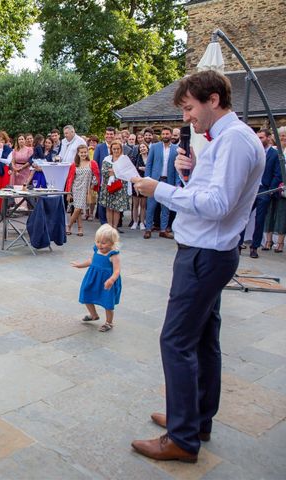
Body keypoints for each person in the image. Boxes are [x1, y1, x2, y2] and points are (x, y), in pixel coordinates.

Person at [130, 70, 265, 463]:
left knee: (176, 340)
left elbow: (218, 206)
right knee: (204, 339)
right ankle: (195, 418)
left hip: (205, 254)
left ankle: (183, 438)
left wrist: (161, 189)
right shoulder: (227, 139)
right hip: (208, 250)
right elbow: (213, 196)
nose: (187, 117)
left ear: (213, 100)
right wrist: (188, 177)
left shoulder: (235, 141)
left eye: (189, 108)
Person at [71, 224, 121, 333]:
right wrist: (80, 265)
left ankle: (109, 322)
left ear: (112, 243)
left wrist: (111, 280)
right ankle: (94, 315)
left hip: (107, 281)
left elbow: (117, 270)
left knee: (107, 301)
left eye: (103, 243)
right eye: (97, 241)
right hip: (93, 277)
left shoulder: (113, 255)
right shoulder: (96, 250)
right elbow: (91, 261)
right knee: (86, 292)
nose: (99, 245)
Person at [243, 128, 282, 258]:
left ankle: (254, 247)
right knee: (243, 217)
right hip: (251, 190)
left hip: (264, 190)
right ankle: (237, 244)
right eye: (258, 137)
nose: (259, 140)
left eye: (262, 138)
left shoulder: (275, 154)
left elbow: (278, 174)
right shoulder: (254, 151)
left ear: (269, 138)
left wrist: (270, 191)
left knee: (260, 220)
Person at [143, 126, 178, 239]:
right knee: (151, 206)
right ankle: (148, 229)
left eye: (167, 134)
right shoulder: (155, 147)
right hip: (154, 180)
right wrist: (147, 179)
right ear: (160, 135)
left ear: (171, 135)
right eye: (163, 134)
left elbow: (177, 167)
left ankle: (163, 230)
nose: (165, 136)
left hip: (168, 181)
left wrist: (177, 183)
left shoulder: (176, 149)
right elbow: (149, 164)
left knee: (165, 208)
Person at [64, 145, 99, 236]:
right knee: (78, 208)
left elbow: (96, 176)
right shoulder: (74, 164)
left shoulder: (92, 163)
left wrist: (92, 186)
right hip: (76, 188)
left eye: (85, 152)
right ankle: (71, 226)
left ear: (87, 152)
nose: (83, 154)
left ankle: (76, 227)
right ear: (78, 153)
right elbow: (70, 179)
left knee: (78, 208)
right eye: (81, 152)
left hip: (86, 189)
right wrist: (69, 192)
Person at [263, 126, 286, 253]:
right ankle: (268, 240)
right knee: (269, 214)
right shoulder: (273, 150)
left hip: (284, 189)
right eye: (281, 135)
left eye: (284, 135)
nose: (283, 137)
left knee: (282, 215)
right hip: (272, 186)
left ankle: (280, 243)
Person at [98, 141, 129, 231]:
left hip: (120, 187)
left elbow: (126, 172)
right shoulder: (107, 158)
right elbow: (104, 172)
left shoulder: (124, 159)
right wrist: (115, 171)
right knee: (109, 207)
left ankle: (115, 227)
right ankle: (109, 227)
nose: (116, 150)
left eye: (118, 149)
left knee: (117, 208)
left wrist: (114, 171)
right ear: (111, 149)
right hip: (108, 186)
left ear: (121, 149)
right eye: (114, 149)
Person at [131, 143, 149, 230]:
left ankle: (142, 222)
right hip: (137, 182)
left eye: (144, 147)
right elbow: (132, 169)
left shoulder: (150, 157)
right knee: (135, 204)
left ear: (147, 148)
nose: (142, 148)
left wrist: (146, 169)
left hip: (146, 182)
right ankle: (135, 222)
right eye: (140, 147)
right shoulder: (136, 158)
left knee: (143, 205)